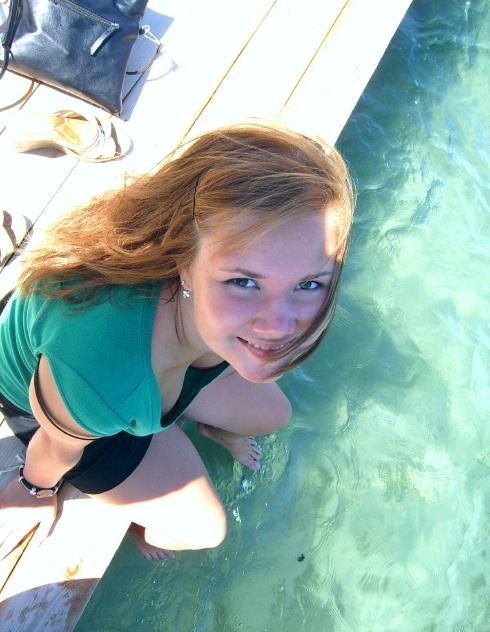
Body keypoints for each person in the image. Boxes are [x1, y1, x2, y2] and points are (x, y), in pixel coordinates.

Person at [0, 122, 354, 561]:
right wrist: (34, 490)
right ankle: (139, 517)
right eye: (244, 282)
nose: (279, 326)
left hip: (154, 365)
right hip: (69, 404)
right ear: (184, 262)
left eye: (309, 284)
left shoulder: (208, 289)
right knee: (202, 531)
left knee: (272, 414)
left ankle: (176, 425)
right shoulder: (99, 369)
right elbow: (56, 445)